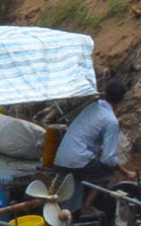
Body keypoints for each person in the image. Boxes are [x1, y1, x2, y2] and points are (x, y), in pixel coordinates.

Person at [53, 77, 129, 210]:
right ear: (121, 101)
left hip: (60, 158)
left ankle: (74, 206)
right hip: (77, 161)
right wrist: (127, 173)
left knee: (91, 166)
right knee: (108, 171)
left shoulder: (92, 107)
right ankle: (87, 206)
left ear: (104, 93)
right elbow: (108, 159)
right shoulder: (111, 121)